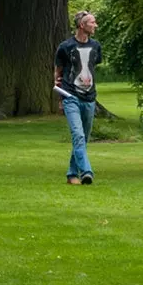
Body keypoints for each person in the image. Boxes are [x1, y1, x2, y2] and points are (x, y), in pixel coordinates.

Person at [55, 10, 102, 185]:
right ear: (82, 25)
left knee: (84, 138)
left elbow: (92, 66)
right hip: (70, 96)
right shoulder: (65, 47)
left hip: (89, 97)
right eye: (92, 22)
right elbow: (58, 73)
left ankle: (71, 173)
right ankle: (86, 171)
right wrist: (60, 97)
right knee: (78, 135)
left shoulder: (96, 46)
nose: (95, 25)